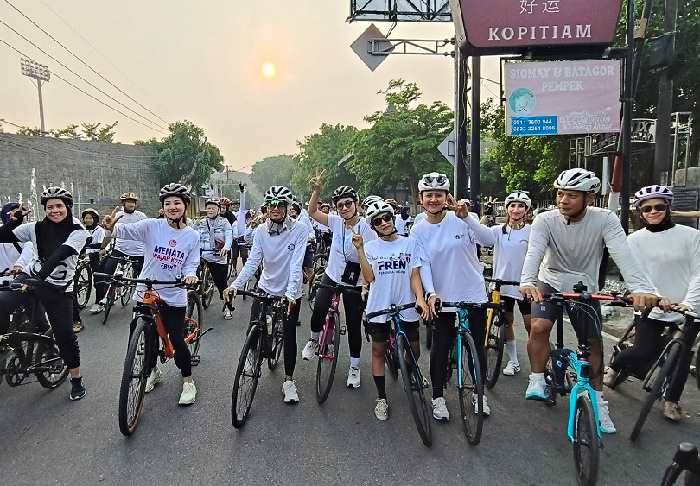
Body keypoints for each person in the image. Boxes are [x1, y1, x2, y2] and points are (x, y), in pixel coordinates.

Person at [519, 168, 658, 433]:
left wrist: (641, 288)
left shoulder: (605, 219)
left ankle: (597, 400)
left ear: (590, 198)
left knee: (592, 343)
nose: (563, 200)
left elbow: (623, 253)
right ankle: (537, 378)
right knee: (538, 326)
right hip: (550, 280)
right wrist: (527, 280)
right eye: (560, 193)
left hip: (585, 285)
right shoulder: (545, 220)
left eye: (571, 195)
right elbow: (534, 251)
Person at [604, 185, 700, 422]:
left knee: (681, 355)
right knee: (643, 352)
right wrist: (655, 298)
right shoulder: (634, 241)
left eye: (658, 206)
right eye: (647, 208)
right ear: (640, 212)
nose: (653, 211)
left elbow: (699, 273)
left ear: (668, 208)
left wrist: (689, 303)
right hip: (652, 306)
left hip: (689, 307)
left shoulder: (692, 236)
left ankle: (671, 401)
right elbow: (636, 275)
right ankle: (615, 364)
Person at [103, 183, 200, 405]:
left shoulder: (191, 236)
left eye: (177, 202)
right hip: (145, 291)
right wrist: (111, 228)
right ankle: (152, 371)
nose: (172, 207)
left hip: (174, 293)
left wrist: (190, 276)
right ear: (162, 207)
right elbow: (125, 231)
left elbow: (191, 264)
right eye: (167, 203)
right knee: (142, 336)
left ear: (185, 205)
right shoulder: (151, 226)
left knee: (176, 338)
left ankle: (187, 381)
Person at [410, 172, 496, 420]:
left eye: (439, 195)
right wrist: (431, 293)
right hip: (442, 298)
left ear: (447, 197)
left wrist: (468, 218)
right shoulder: (418, 230)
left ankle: (480, 395)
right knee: (440, 348)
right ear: (421, 198)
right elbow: (422, 264)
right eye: (429, 195)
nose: (434, 199)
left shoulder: (463, 219)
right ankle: (437, 397)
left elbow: (488, 241)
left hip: (472, 295)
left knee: (476, 349)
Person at [0, 187, 88, 401]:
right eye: (50, 207)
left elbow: (59, 255)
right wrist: (12, 222)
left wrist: (38, 280)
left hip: (58, 288)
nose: (54, 210)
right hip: (31, 278)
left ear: (67, 207)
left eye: (59, 206)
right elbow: (2, 236)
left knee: (65, 334)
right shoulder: (34, 227)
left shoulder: (78, 229)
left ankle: (76, 379)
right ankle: (6, 342)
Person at [225, 186, 308, 403]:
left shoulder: (299, 230)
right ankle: (254, 356)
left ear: (288, 208)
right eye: (272, 205)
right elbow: (252, 262)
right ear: (267, 208)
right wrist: (235, 284)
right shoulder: (261, 230)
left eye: (280, 205)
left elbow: (296, 265)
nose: (276, 209)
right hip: (265, 287)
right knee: (253, 329)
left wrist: (290, 294)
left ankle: (289, 381)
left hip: (290, 291)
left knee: (289, 336)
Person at [353, 200, 433, 420]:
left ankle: (409, 371)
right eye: (378, 221)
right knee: (378, 352)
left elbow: (414, 274)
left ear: (393, 217)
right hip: (379, 306)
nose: (384, 223)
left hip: (406, 304)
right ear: (373, 226)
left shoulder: (409, 243)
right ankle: (381, 398)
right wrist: (359, 250)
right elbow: (369, 278)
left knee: (414, 350)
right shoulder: (370, 248)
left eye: (387, 218)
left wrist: (420, 298)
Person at [302, 176, 377, 389]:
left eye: (348, 203)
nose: (344, 208)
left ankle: (354, 367)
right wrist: (317, 190)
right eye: (340, 205)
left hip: (356, 281)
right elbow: (312, 212)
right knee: (319, 308)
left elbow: (370, 261)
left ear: (357, 204)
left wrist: (361, 251)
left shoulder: (368, 228)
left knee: (353, 324)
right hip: (333, 274)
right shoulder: (335, 222)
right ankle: (314, 339)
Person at [488, 191, 532, 376]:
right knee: (507, 323)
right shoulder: (497, 230)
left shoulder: (532, 231)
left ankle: (539, 365)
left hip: (525, 285)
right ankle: (513, 361)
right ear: (506, 208)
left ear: (527, 210)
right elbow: (479, 236)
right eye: (512, 205)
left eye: (521, 206)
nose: (516, 209)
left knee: (532, 325)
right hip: (502, 285)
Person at [91, 192, 146, 313]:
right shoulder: (118, 215)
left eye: (133, 201)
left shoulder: (141, 216)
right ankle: (99, 301)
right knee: (106, 272)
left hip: (139, 252)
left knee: (143, 279)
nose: (131, 204)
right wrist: (102, 247)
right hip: (120, 249)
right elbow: (109, 234)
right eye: (128, 201)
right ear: (123, 203)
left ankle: (143, 306)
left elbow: (148, 233)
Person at [194, 198, 233, 319]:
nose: (210, 210)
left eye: (213, 208)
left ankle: (228, 307)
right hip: (202, 255)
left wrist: (226, 247)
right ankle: (193, 295)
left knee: (222, 285)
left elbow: (229, 235)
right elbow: (192, 235)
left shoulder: (224, 222)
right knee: (190, 276)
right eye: (208, 208)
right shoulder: (200, 222)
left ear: (218, 209)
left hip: (218, 257)